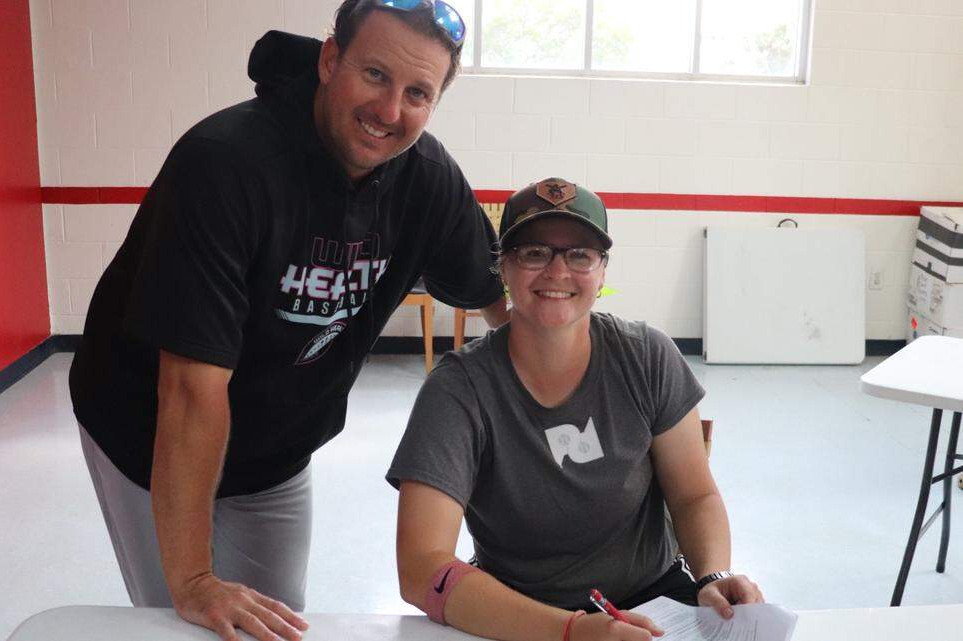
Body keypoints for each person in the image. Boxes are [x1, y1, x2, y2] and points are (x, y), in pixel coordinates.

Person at [67, 1, 507, 640]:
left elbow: (498, 298)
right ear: (331, 59)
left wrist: (586, 385)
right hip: (147, 429)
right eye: (375, 75)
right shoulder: (225, 165)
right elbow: (191, 393)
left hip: (277, 445)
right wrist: (194, 582)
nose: (390, 111)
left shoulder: (427, 179)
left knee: (273, 621)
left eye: (418, 92)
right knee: (189, 620)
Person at [387, 178, 763, 641]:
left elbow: (694, 495)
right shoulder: (459, 390)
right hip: (519, 614)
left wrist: (711, 577)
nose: (557, 271)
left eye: (580, 254)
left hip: (658, 602)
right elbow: (423, 569)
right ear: (503, 268)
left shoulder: (647, 356)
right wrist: (571, 631)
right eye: (534, 253)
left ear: (602, 272)